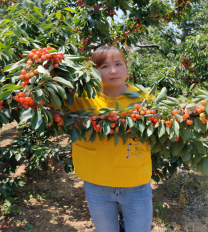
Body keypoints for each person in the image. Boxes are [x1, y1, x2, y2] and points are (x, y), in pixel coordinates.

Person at [66, 46, 153, 232]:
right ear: (92, 72)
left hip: (136, 183)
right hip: (97, 184)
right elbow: (44, 103)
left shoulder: (144, 99)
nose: (113, 71)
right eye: (104, 66)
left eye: (118, 64)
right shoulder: (81, 97)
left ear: (127, 66)